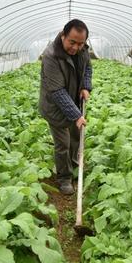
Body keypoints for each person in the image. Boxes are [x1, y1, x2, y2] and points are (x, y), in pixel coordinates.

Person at [39, 19, 92, 195]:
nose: (76, 47)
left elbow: (88, 68)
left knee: (76, 137)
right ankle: (64, 178)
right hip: (55, 106)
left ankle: (74, 165)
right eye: (72, 42)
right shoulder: (51, 56)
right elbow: (58, 92)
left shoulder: (83, 50)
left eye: (80, 43)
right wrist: (77, 115)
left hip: (73, 100)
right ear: (63, 35)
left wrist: (85, 86)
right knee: (63, 143)